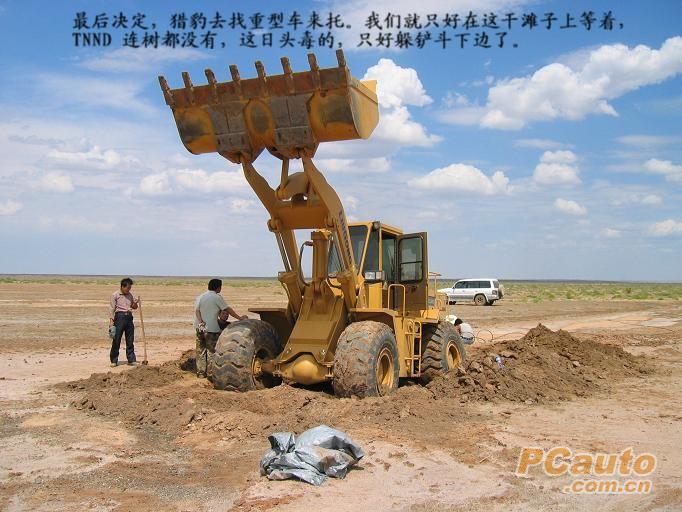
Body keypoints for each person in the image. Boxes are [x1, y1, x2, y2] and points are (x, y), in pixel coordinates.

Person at [194, 278, 248, 378]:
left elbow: (197, 311)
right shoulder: (217, 297)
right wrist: (239, 318)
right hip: (211, 329)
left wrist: (201, 322)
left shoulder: (200, 296)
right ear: (218, 287)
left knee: (200, 351)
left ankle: (201, 373)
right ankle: (210, 375)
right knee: (211, 352)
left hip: (199, 328)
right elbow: (227, 309)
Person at [109, 277, 139, 367]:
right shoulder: (115, 295)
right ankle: (114, 360)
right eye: (127, 288)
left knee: (130, 340)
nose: (129, 290)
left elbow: (134, 307)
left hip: (129, 317)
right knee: (116, 339)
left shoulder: (130, 295)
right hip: (119, 317)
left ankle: (131, 360)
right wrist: (111, 321)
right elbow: (112, 308)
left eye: (130, 288)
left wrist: (135, 303)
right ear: (122, 286)